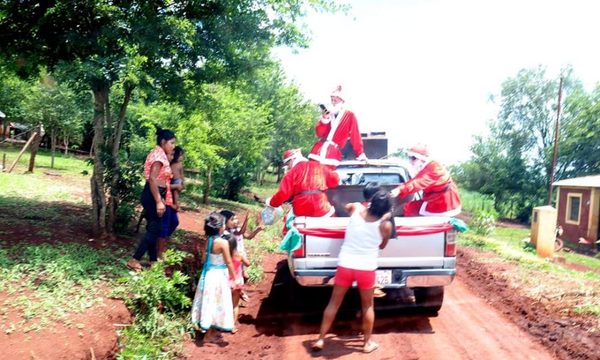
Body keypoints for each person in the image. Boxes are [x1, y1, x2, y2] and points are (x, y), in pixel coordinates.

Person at [312, 190, 393, 354]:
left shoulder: (356, 209)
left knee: (333, 303)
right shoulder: (385, 225)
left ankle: (320, 339)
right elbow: (382, 245)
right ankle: (367, 343)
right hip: (366, 268)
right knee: (367, 306)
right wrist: (386, 217)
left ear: (371, 202)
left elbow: (347, 206)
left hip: (345, 265)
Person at [127, 127, 176, 271]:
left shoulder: (158, 154)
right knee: (155, 229)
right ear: (163, 142)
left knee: (153, 228)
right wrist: (159, 201)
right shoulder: (159, 157)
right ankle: (135, 259)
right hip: (154, 195)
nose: (173, 146)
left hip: (154, 194)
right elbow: (152, 179)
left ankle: (153, 260)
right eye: (171, 143)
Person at [191, 213, 236, 341]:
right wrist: (235, 277)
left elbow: (203, 259)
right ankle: (209, 334)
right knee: (218, 302)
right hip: (219, 276)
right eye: (223, 224)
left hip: (208, 274)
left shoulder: (209, 240)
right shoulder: (222, 242)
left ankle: (207, 330)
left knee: (208, 301)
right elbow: (229, 262)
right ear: (220, 227)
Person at [390, 144, 461, 217]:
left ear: (422, 159)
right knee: (406, 208)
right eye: (410, 158)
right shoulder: (426, 167)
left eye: (413, 158)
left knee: (405, 209)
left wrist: (399, 190)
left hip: (444, 203)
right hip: (435, 200)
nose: (410, 161)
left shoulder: (434, 168)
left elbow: (418, 182)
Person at [266, 148, 340, 218]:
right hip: (322, 208)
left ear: (292, 160)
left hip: (301, 211)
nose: (287, 167)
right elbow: (335, 180)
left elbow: (283, 193)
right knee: (334, 221)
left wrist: (272, 203)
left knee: (288, 224)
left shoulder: (291, 173)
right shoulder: (319, 166)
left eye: (287, 164)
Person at [308, 85, 367, 168]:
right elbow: (319, 134)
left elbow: (355, 135)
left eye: (336, 98)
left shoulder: (349, 115)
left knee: (328, 179)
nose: (333, 100)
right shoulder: (328, 113)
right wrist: (325, 119)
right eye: (332, 98)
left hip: (332, 155)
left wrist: (360, 153)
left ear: (342, 99)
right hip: (317, 152)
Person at [219, 209, 263, 303]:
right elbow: (240, 233)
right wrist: (246, 220)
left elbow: (249, 237)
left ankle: (239, 291)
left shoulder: (236, 230)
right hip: (235, 257)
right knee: (242, 276)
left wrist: (257, 230)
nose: (236, 220)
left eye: (236, 218)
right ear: (225, 222)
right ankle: (239, 292)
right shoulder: (229, 233)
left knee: (244, 276)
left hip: (240, 257)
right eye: (233, 219)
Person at [157, 146, 185, 258]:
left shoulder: (175, 166)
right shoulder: (167, 167)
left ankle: (161, 246)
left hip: (171, 199)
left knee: (173, 222)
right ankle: (159, 252)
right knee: (165, 226)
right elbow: (165, 184)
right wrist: (177, 186)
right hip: (166, 200)